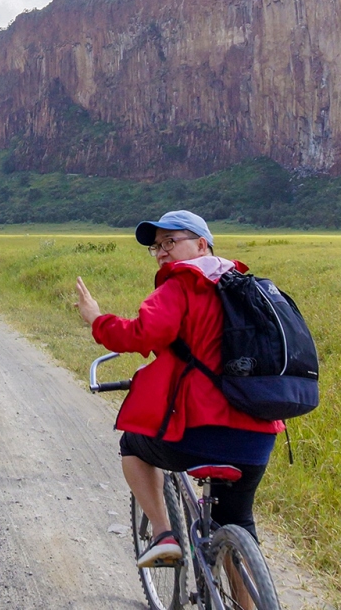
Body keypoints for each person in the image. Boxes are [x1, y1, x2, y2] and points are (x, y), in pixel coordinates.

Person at [74, 210, 282, 568]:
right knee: (236, 524)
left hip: (201, 435)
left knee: (132, 446)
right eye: (156, 246)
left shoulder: (182, 284)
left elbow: (140, 334)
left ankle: (162, 535)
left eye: (171, 241)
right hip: (259, 435)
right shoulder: (251, 289)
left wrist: (95, 318)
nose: (161, 252)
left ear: (202, 244)